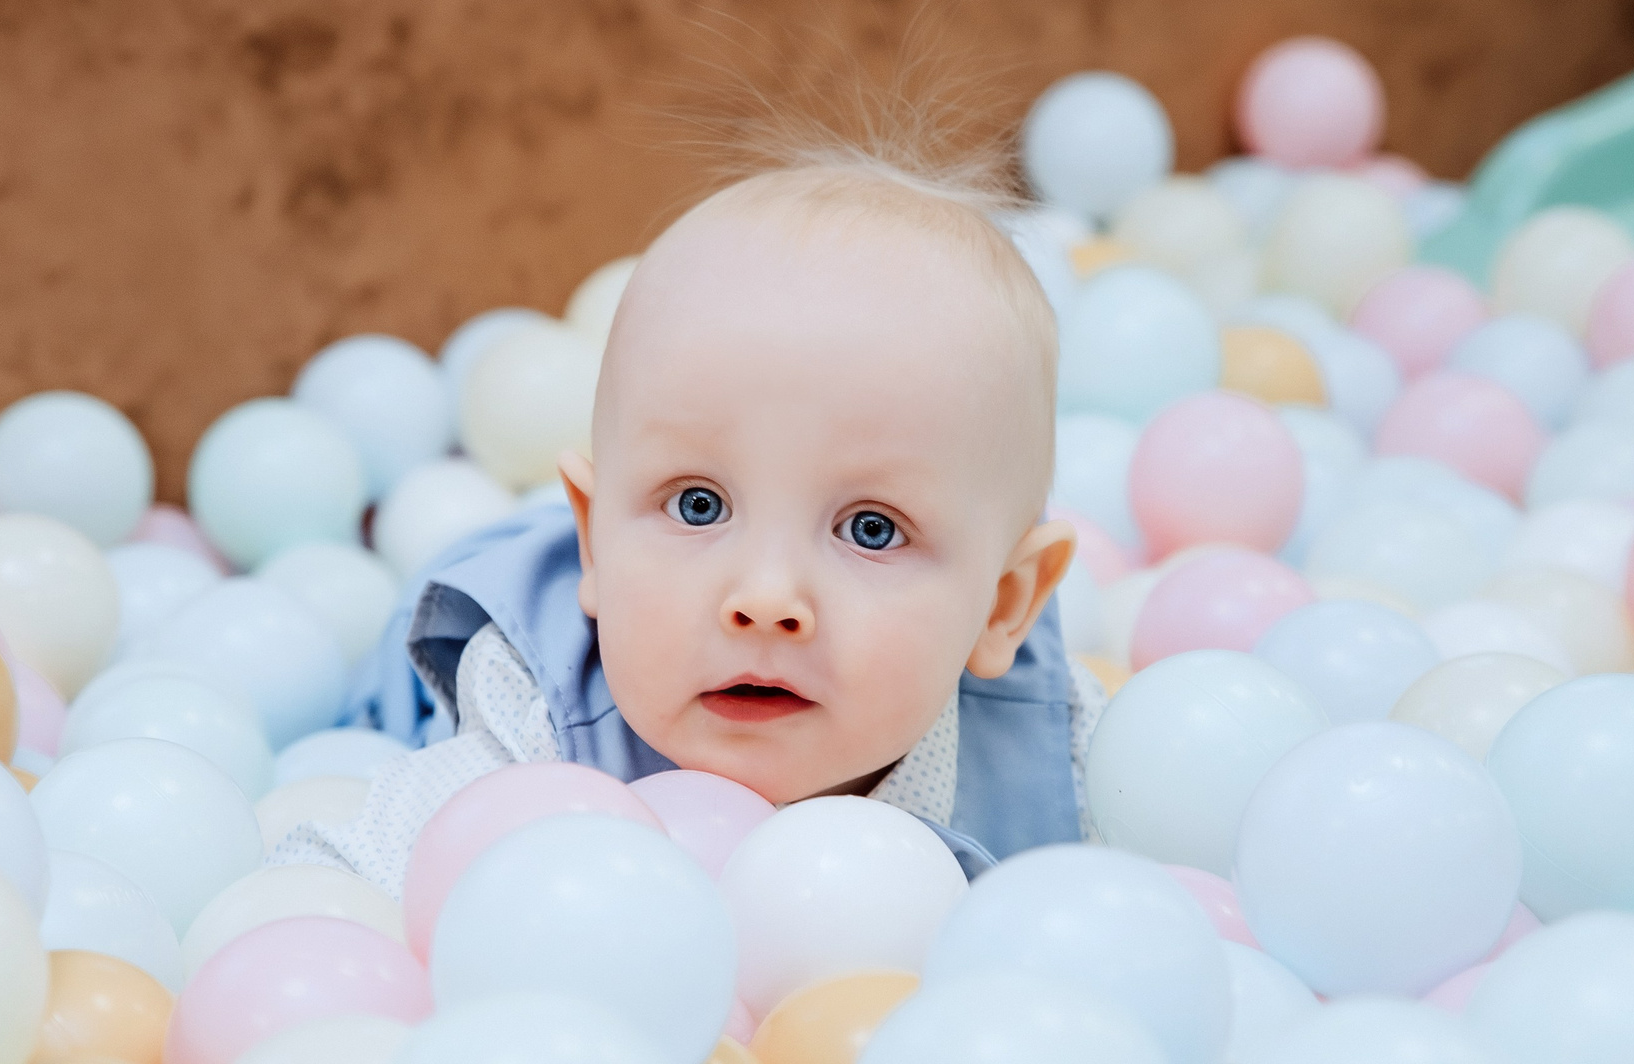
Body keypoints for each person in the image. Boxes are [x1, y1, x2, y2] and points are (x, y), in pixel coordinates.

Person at [274, 148, 1107, 890]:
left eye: (871, 529)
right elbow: (322, 881)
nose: (766, 598)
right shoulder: (534, 731)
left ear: (1002, 606)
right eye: (698, 504)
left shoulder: (1059, 749)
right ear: (595, 541)